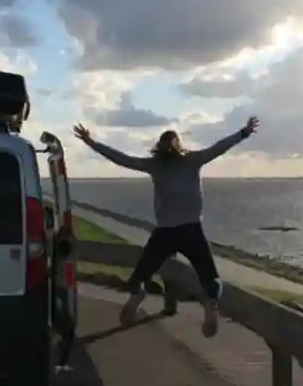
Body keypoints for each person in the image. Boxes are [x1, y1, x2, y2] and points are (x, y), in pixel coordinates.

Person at [73, 116, 260, 337]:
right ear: (179, 145)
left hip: (165, 232)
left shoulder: (154, 165)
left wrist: (92, 143)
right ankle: (210, 303)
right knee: (209, 276)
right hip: (192, 229)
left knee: (141, 273)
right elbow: (219, 147)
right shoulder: (193, 159)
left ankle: (138, 292)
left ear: (158, 147)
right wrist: (243, 133)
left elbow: (122, 159)